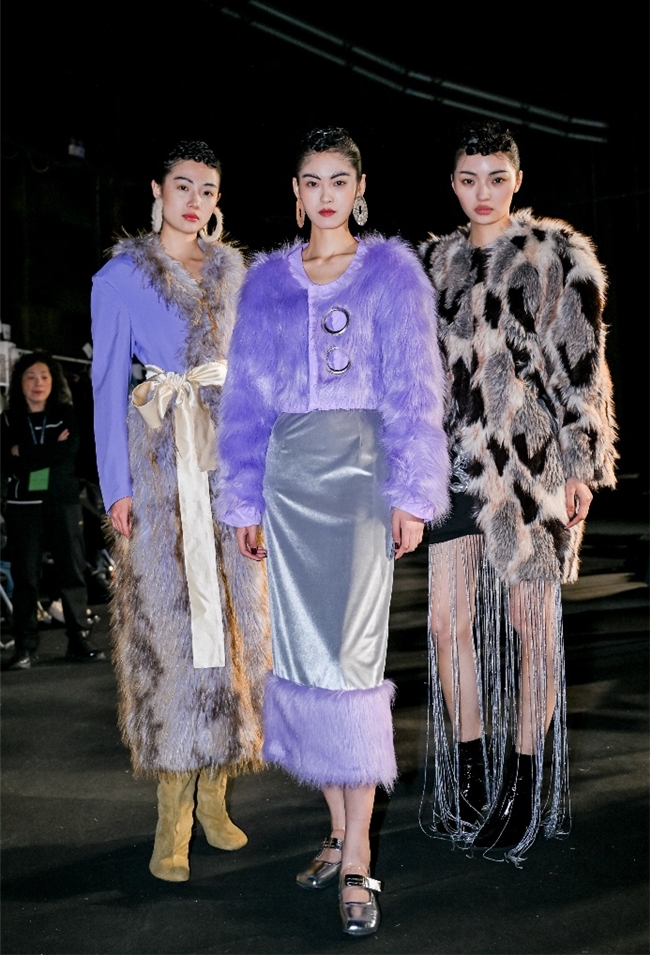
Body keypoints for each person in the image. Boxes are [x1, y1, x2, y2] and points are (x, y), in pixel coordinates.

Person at [217, 127, 449, 935]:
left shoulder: (394, 275)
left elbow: (417, 391)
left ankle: (359, 857)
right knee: (306, 662)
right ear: (295, 193)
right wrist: (243, 499)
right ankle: (337, 828)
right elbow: (245, 399)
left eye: (338, 181)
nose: (325, 195)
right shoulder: (266, 284)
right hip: (289, 485)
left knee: (353, 664)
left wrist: (412, 493)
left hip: (359, 482)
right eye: (311, 181)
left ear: (359, 189)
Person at [419, 122, 618, 864]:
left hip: (531, 470)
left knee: (530, 624)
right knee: (446, 624)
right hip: (450, 468)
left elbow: (584, 363)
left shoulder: (555, 255)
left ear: (517, 181)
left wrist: (581, 465)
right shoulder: (433, 265)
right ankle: (474, 774)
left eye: (496, 178)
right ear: (453, 183)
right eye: (469, 178)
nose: (483, 193)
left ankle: (524, 784)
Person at [90, 140, 270, 882]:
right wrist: (117, 486)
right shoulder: (119, 278)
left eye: (208, 190)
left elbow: (255, 379)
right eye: (183, 186)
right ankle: (173, 816)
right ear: (157, 190)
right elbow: (106, 384)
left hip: (230, 464)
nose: (195, 201)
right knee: (170, 634)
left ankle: (216, 793)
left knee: (237, 630)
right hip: (161, 466)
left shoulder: (234, 274)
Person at [2, 350, 105, 670]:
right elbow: (6, 460)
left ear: (53, 382)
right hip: (23, 506)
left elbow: (69, 451)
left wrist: (23, 452)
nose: (38, 383)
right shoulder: (8, 419)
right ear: (20, 382)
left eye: (44, 377)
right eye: (31, 377)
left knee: (71, 571)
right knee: (25, 576)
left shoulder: (66, 415)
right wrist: (48, 451)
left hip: (62, 502)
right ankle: (25, 647)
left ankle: (79, 639)